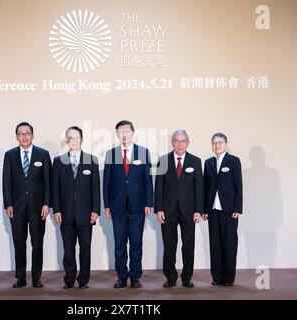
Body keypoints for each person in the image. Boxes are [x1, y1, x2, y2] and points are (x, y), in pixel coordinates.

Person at [103, 120, 153, 288]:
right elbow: (106, 182)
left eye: (126, 131)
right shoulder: (111, 154)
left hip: (138, 206)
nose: (124, 134)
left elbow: (148, 180)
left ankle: (136, 276)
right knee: (119, 244)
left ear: (133, 133)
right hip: (117, 207)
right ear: (118, 134)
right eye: (120, 132)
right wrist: (107, 205)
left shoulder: (143, 152)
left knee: (136, 243)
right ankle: (121, 277)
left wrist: (148, 202)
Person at [3, 122, 51, 288]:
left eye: (27, 133)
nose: (24, 136)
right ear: (16, 136)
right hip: (16, 207)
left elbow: (47, 182)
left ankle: (36, 278)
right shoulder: (9, 155)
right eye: (21, 133)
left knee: (37, 242)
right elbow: (7, 181)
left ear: (32, 135)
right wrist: (8, 203)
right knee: (19, 241)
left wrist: (47, 204)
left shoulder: (43, 154)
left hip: (38, 207)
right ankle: (21, 278)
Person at [52, 126, 100, 289]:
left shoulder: (91, 160)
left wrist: (96, 210)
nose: (73, 140)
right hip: (65, 213)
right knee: (68, 249)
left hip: (86, 214)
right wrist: (56, 209)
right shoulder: (58, 161)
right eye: (70, 138)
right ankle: (69, 279)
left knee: (85, 249)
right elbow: (55, 189)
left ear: (82, 139)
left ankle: (84, 280)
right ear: (67, 141)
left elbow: (96, 188)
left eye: (76, 137)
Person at [154, 130, 203, 288]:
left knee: (188, 245)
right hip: (168, 211)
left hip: (189, 211)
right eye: (177, 141)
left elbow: (199, 188)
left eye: (183, 141)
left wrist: (198, 210)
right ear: (172, 142)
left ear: (188, 142)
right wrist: (159, 209)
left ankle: (187, 277)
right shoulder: (163, 160)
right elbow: (159, 187)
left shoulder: (195, 161)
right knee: (169, 244)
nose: (180, 144)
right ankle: (170, 277)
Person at [203, 132, 243, 286]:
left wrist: (237, 208)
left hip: (229, 209)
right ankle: (217, 277)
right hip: (213, 210)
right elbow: (206, 188)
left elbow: (238, 185)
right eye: (214, 143)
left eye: (220, 142)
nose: (217, 145)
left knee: (229, 243)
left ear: (226, 144)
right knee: (215, 244)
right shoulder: (208, 163)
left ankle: (228, 278)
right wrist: (205, 210)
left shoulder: (233, 161)